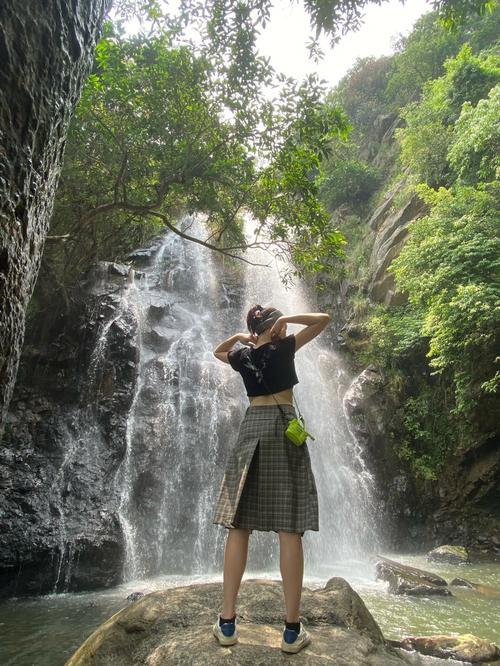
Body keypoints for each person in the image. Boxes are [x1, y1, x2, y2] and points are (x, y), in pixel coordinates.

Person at [211, 305, 331, 654]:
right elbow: (324, 320)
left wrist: (239, 338)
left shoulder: (244, 357)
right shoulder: (286, 345)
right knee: (290, 529)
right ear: (273, 326)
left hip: (252, 428)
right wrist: (288, 321)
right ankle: (292, 632)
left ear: (253, 329)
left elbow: (219, 351)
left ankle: (228, 623)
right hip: (283, 428)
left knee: (239, 526)